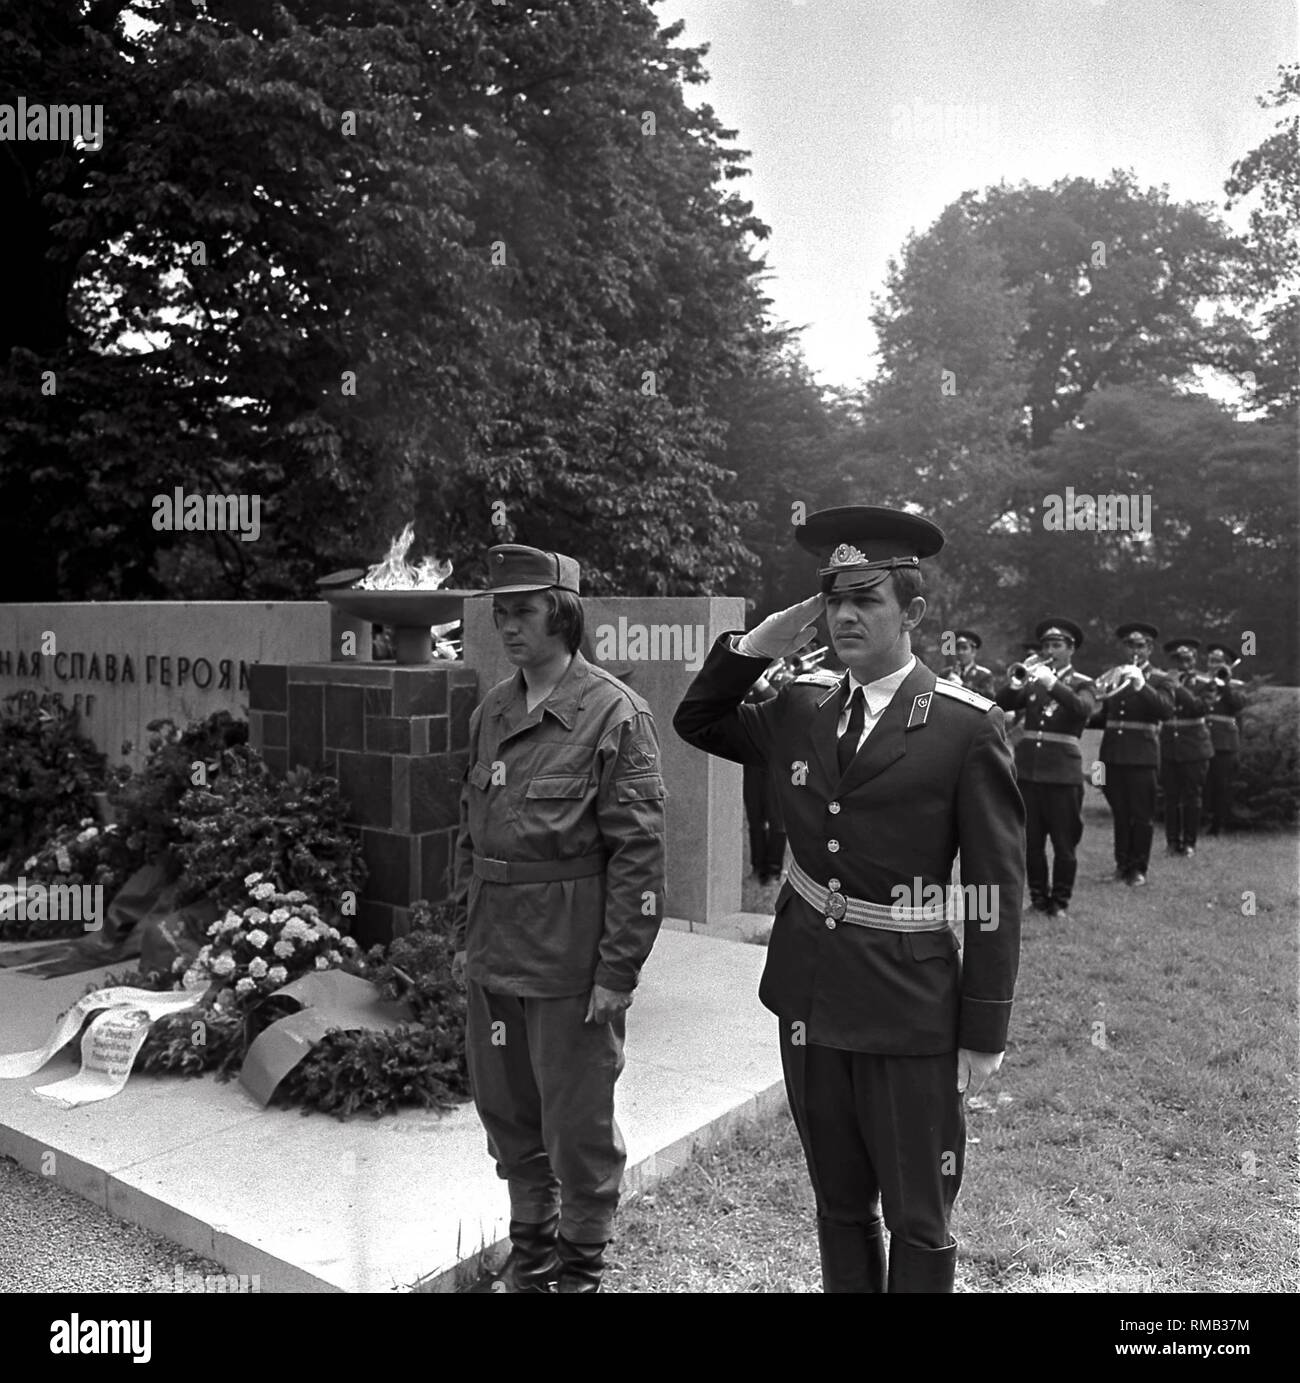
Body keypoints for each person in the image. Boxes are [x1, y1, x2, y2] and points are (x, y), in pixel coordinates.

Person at [673, 506, 1024, 1294]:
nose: (845, 616)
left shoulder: (966, 727)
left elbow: (997, 888)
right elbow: (697, 718)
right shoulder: (803, 703)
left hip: (908, 1001)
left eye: (866, 599)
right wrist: (758, 645)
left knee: (919, 1212)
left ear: (914, 612)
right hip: (809, 991)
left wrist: (984, 1025)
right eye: (834, 600)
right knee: (837, 1199)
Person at [450, 544, 667, 1294]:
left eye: (524, 611)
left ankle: (579, 1268)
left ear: (563, 613)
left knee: (575, 1123)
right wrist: (462, 940)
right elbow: (470, 835)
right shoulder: (493, 710)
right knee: (507, 1113)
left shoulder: (614, 713)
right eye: (500, 612)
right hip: (497, 951)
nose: (509, 626)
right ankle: (531, 1253)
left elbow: (638, 858)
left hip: (567, 959)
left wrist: (617, 970)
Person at [995, 619, 1096, 918]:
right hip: (1029, 772)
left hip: (1063, 775)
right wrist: (1017, 682)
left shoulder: (1082, 683)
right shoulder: (1033, 681)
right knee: (1032, 842)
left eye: (1057, 645)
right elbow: (1001, 704)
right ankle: (1038, 898)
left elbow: (1082, 710)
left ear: (1071, 649)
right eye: (1046, 646)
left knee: (1065, 844)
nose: (1050, 650)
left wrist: (1053, 683)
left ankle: (1060, 902)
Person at [1090, 622, 1175, 886]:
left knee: (1141, 814)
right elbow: (1103, 716)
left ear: (1150, 648)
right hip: (1112, 754)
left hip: (1142, 756)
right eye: (1129, 645)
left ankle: (1138, 869)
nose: (1134, 650)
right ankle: (1121, 865)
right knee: (1120, 812)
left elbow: (1166, 710)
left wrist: (1141, 686)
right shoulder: (1113, 676)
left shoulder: (1160, 679)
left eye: (1140, 645)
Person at [1159, 638, 1215, 857]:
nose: (1183, 663)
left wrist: (1179, 688)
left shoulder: (1205, 682)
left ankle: (1189, 842)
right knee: (1171, 796)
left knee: (1192, 795)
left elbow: (1200, 707)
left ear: (1194, 659)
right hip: (1169, 744)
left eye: (1187, 658)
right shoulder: (1163, 680)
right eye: (1177, 659)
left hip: (1194, 746)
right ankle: (1172, 841)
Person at [742, 664, 788, 884]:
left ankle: (773, 870)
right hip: (752, 760)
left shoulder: (786, 679)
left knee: (777, 819)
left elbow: (782, 707)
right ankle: (757, 867)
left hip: (778, 762)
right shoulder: (747, 684)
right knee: (755, 817)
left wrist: (760, 682)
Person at [1203, 643, 1248, 835]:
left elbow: (1237, 705)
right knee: (1203, 783)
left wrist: (1225, 683)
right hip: (1202, 739)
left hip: (1224, 743)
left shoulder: (1236, 686)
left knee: (1221, 785)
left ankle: (1217, 825)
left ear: (1228, 664)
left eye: (1219, 661)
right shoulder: (1201, 682)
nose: (1214, 665)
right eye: (1212, 661)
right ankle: (1201, 819)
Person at [940, 630, 996, 699]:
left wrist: (962, 685)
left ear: (973, 652)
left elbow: (989, 697)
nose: (960, 652)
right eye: (957, 649)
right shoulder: (946, 673)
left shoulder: (984, 675)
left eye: (964, 648)